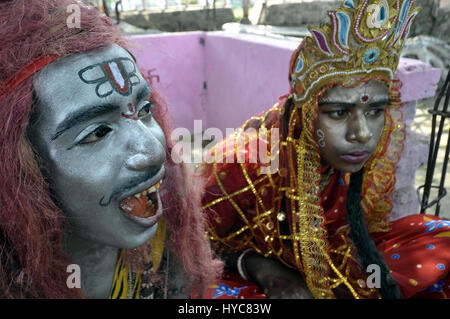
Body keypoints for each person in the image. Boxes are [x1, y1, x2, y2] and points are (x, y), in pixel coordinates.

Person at [201, 0, 450, 299]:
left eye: (375, 111)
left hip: (336, 260)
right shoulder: (247, 162)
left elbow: (357, 235)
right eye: (339, 113)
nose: (362, 134)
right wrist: (265, 270)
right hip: (258, 276)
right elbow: (192, 244)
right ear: (307, 116)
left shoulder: (353, 155)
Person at [0, 0, 222, 298]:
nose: (154, 151)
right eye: (98, 132)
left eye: (144, 110)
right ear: (17, 167)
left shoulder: (164, 235)